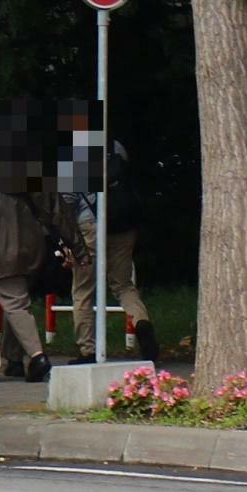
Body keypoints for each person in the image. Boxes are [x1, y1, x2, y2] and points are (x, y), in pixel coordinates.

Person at [0, 171, 85, 383]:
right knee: (18, 302)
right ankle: (13, 361)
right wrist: (79, 248)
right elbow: (59, 213)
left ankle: (37, 357)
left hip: (1, 252)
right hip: (34, 251)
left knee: (15, 305)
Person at [71, 140, 155, 363]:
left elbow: (68, 199)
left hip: (90, 226)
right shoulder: (115, 146)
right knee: (123, 284)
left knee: (83, 290)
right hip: (122, 225)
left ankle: (87, 350)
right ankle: (141, 322)